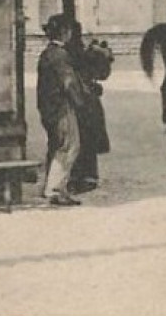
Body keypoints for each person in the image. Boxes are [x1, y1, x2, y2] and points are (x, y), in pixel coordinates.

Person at [38, 13, 90, 206]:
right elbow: (68, 83)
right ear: (65, 32)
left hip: (48, 107)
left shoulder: (47, 53)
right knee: (69, 146)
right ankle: (55, 190)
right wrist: (80, 103)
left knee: (57, 144)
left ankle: (53, 187)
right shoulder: (60, 55)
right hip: (61, 107)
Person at [69, 27, 113, 193]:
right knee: (86, 137)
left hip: (83, 99)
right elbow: (102, 74)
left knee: (83, 137)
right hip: (83, 101)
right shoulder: (83, 54)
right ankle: (86, 175)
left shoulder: (78, 53)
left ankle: (79, 176)